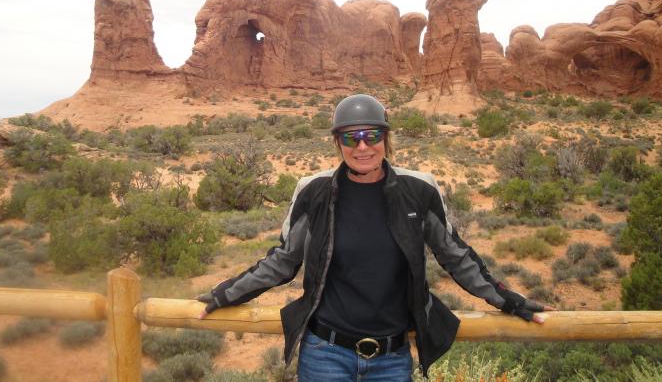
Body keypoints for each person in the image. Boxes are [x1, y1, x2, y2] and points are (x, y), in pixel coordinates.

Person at [198, 94, 550, 380]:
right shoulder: (315, 191)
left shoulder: (419, 191)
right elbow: (283, 259)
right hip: (325, 355)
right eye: (351, 137)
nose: (363, 146)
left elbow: (456, 255)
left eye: (373, 135)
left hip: (391, 359)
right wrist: (225, 293)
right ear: (338, 142)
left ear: (386, 138)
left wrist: (509, 299)